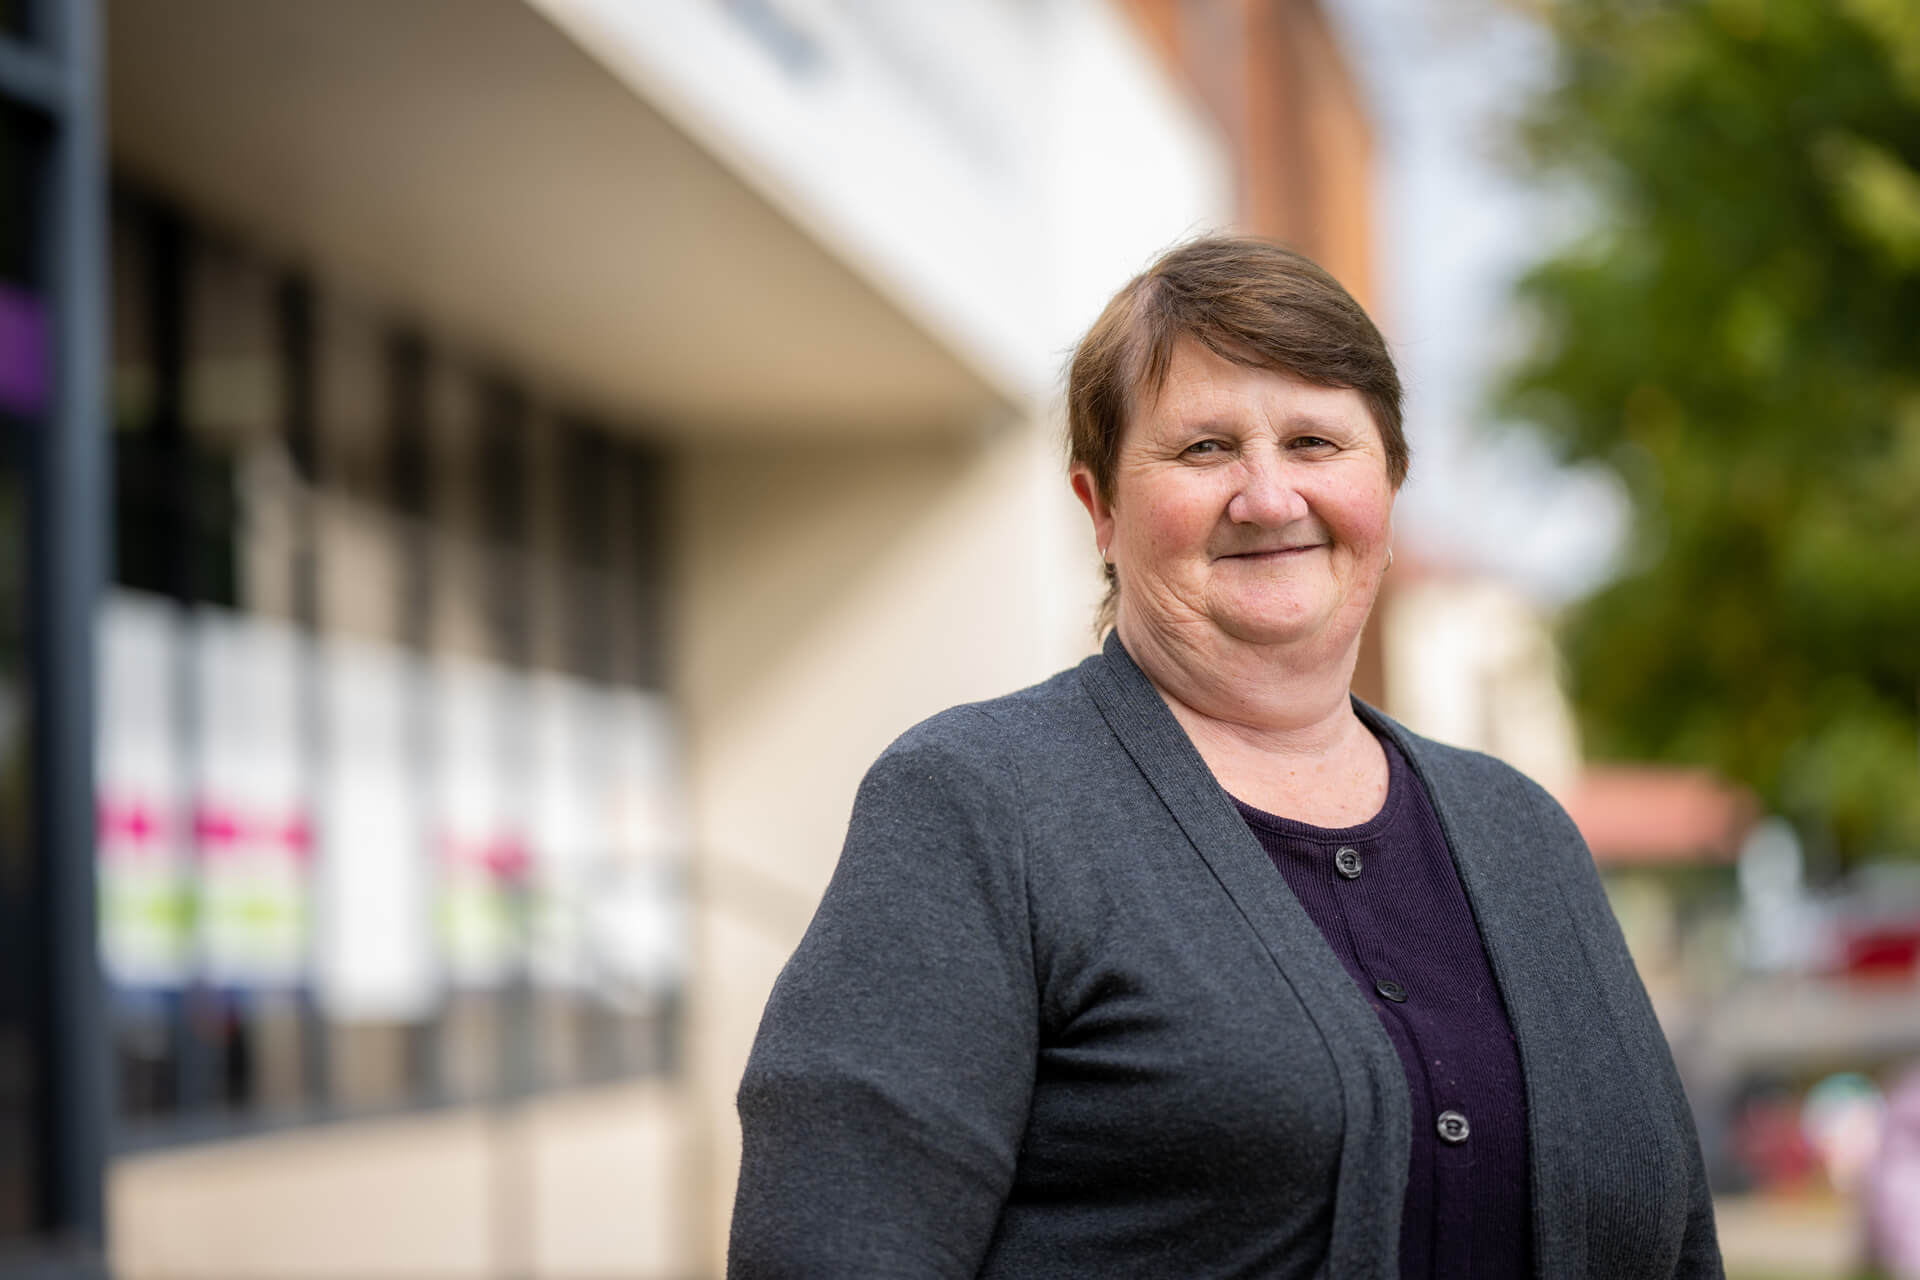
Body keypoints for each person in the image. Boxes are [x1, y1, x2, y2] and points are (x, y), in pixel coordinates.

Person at [728, 236, 1723, 1278]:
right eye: (1204, 448)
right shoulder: (982, 807)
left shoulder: (1524, 832)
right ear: (1100, 508)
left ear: (1389, 478)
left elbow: (1681, 1238)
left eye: (1314, 441)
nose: (1267, 495)